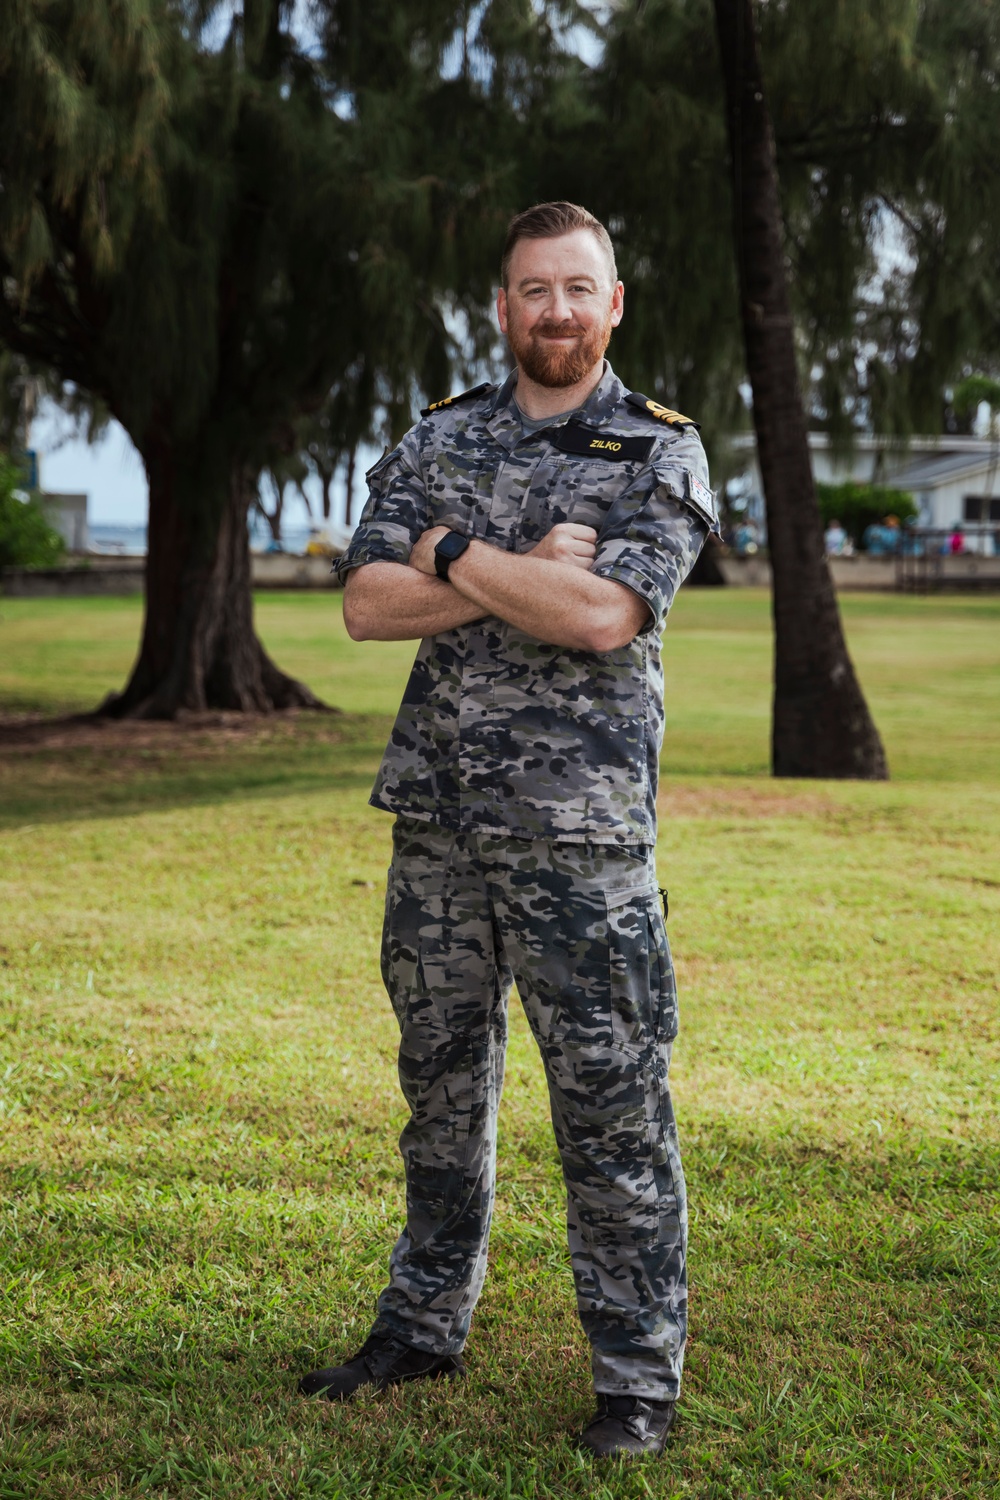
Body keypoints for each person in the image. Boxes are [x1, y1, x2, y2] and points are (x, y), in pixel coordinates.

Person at [299, 202, 717, 1459]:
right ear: (502, 306)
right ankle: (423, 1324)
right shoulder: (442, 433)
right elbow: (366, 608)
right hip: (437, 827)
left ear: (615, 303)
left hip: (581, 844)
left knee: (611, 1106)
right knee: (437, 1090)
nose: (555, 311)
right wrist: (514, 563)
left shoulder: (659, 453)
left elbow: (601, 618)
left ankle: (635, 1378)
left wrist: (452, 550)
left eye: (578, 289)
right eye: (533, 290)